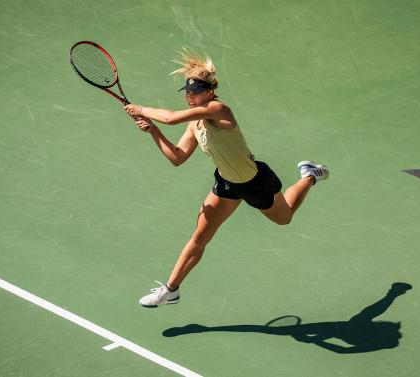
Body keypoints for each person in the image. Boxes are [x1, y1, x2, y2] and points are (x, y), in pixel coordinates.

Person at [124, 51, 329, 308]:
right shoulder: (194, 122)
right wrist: (153, 131)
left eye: (196, 92)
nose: (191, 97)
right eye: (188, 93)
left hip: (255, 181)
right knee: (200, 237)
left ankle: (310, 175)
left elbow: (169, 118)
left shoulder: (219, 110)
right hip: (226, 183)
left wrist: (141, 109)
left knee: (284, 217)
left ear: (210, 92)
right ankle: (170, 290)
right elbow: (177, 157)